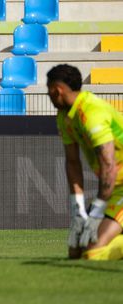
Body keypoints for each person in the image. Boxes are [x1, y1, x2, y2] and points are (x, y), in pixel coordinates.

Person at [48, 64, 123, 260]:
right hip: (114, 187)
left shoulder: (92, 113)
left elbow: (108, 164)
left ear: (57, 90)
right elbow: (73, 163)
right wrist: (78, 211)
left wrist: (97, 211)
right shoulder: (64, 117)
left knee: (92, 254)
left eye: (49, 91)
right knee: (75, 252)